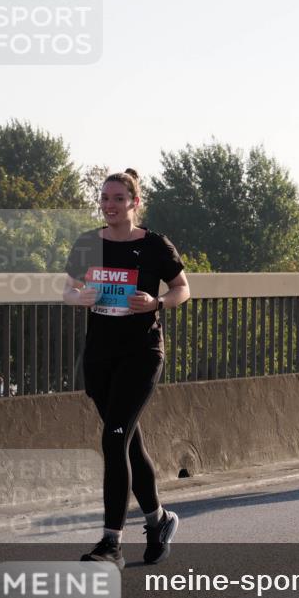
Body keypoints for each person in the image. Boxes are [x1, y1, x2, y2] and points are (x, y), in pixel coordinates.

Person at [63, 169, 190, 569]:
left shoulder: (154, 245)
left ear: (134, 202)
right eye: (104, 198)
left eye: (118, 198)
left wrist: (157, 304)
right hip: (100, 356)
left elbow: (183, 288)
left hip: (142, 353)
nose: (109, 205)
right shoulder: (88, 244)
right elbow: (67, 289)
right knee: (128, 442)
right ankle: (158, 521)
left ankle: (110, 544)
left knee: (114, 439)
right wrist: (80, 298)